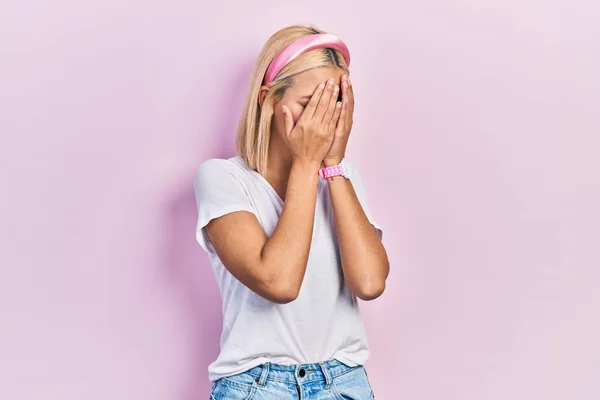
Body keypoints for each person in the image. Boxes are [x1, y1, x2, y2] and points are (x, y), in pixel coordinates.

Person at [194, 24, 390, 400]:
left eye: (333, 106)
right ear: (268, 100)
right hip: (257, 385)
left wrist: (332, 166)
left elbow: (369, 283)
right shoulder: (223, 179)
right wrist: (306, 163)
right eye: (308, 105)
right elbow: (279, 283)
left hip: (343, 381)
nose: (322, 122)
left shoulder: (343, 180)